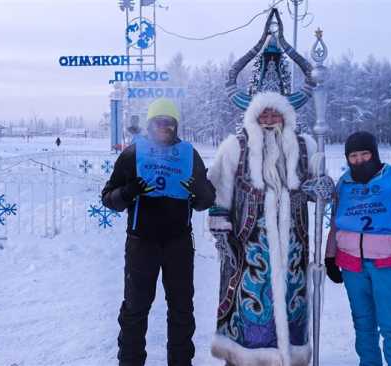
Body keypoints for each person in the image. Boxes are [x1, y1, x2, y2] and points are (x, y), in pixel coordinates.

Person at [207, 91, 333, 366]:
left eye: (275, 113)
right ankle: (243, 359)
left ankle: (288, 358)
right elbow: (220, 193)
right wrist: (222, 235)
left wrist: (322, 187)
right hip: (248, 245)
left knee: (292, 303)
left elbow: (317, 187)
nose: (269, 118)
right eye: (264, 113)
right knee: (249, 304)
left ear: (286, 115)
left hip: (294, 245)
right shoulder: (235, 148)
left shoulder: (306, 146)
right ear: (253, 116)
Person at [101, 98, 215, 366]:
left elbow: (207, 200)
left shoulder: (188, 154)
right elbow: (108, 198)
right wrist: (129, 191)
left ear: (176, 126)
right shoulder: (133, 154)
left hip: (178, 244)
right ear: (150, 124)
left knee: (182, 309)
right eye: (159, 122)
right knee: (135, 309)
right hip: (142, 244)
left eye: (169, 123)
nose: (164, 127)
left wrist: (197, 191)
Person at [325, 131, 391, 366]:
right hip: (352, 265)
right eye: (353, 156)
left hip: (388, 263)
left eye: (365, 153)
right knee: (363, 325)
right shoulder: (344, 183)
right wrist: (330, 256)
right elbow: (335, 223)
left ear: (374, 153)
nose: (360, 160)